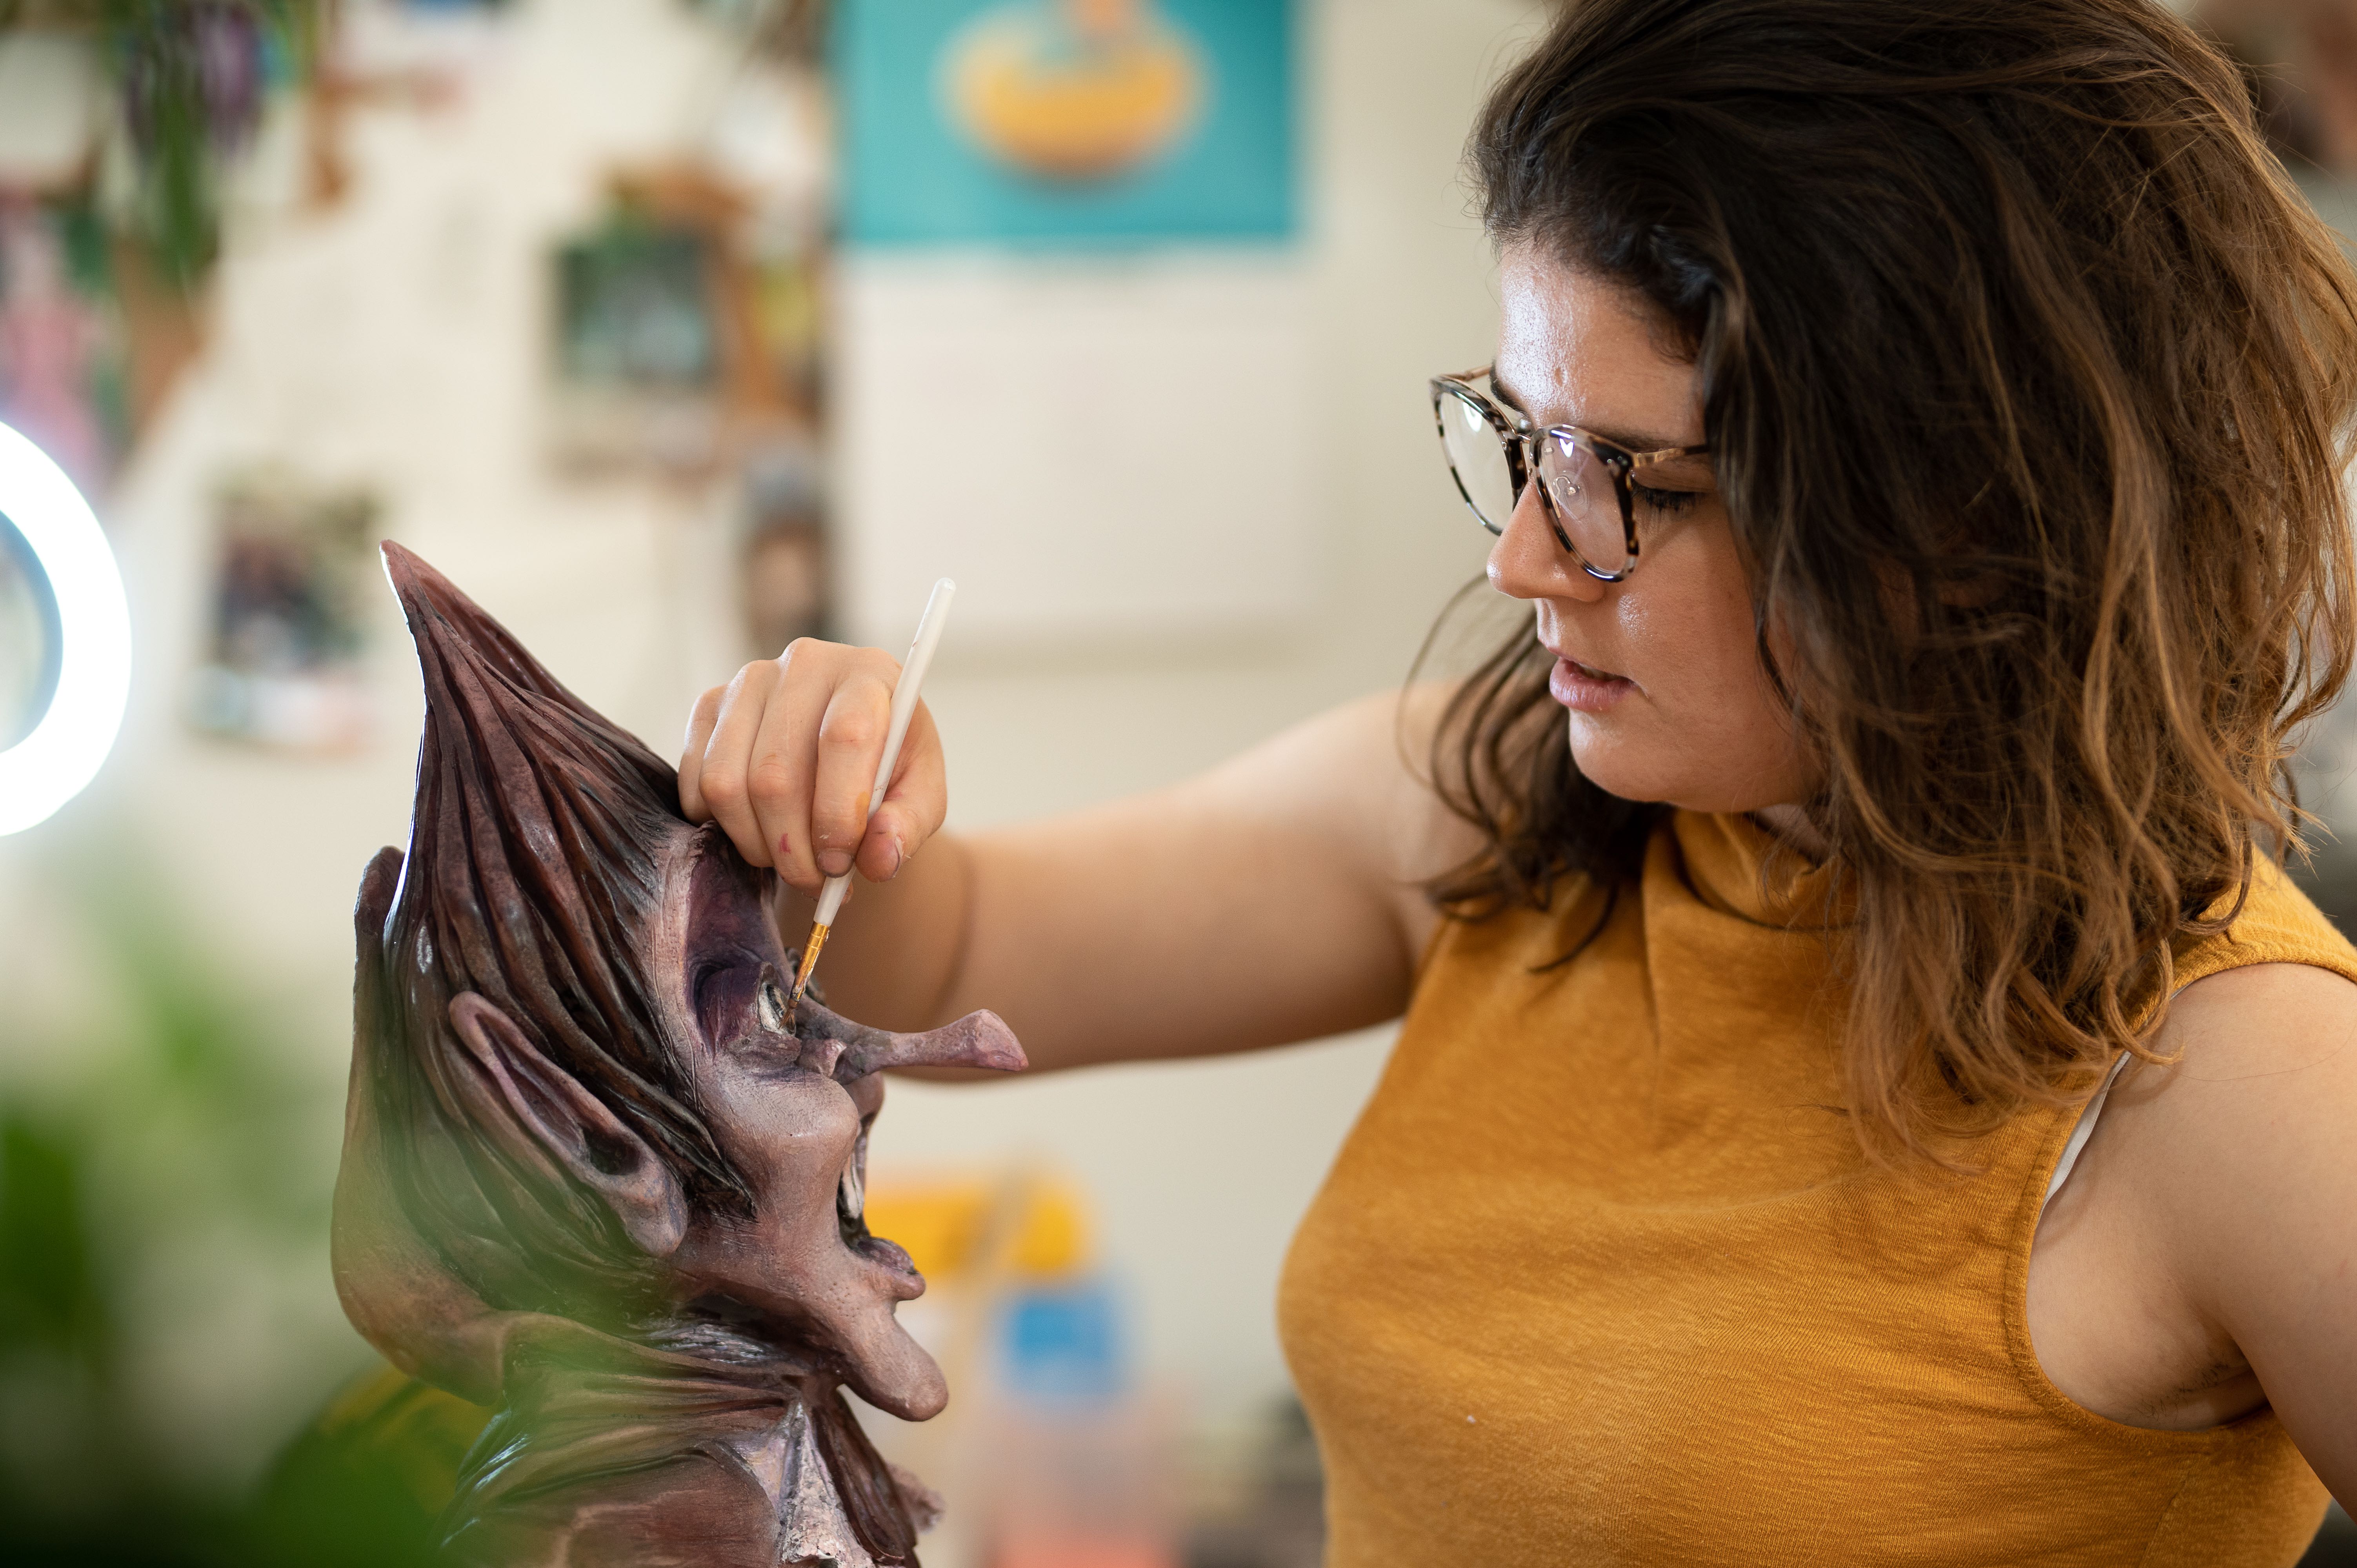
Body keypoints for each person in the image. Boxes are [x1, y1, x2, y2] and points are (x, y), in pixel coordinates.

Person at [680, 0, 2357, 1560]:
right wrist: (832, 806)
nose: (1524, 556)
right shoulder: (1492, 809)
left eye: (1611, 475)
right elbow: (949, 963)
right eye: (1522, 439)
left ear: (1962, 514)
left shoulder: (2246, 1089)